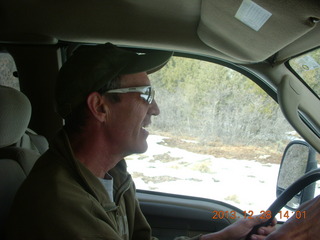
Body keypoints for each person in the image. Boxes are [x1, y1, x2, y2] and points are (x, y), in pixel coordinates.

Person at [6, 43, 277, 240]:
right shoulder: (61, 203)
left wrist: (221, 238)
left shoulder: (112, 175)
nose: (155, 108)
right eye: (146, 94)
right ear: (100, 107)